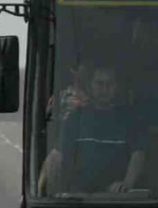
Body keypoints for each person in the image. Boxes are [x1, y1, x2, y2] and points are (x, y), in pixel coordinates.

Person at [37, 64, 145, 195]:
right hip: (80, 197)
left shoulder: (129, 119)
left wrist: (126, 184)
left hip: (115, 196)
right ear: (91, 86)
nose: (104, 89)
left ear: (116, 87)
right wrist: (48, 193)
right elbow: (57, 155)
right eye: (99, 83)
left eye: (109, 84)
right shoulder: (75, 118)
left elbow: (138, 154)